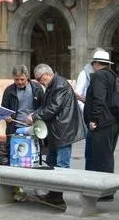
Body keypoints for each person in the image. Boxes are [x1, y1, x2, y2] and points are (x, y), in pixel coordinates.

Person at [27, 63, 86, 205]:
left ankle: (59, 195)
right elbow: (47, 106)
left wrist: (34, 116)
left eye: (40, 79)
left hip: (63, 131)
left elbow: (53, 107)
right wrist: (35, 114)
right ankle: (53, 193)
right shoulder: (53, 84)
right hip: (56, 130)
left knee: (61, 165)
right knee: (51, 162)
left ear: (46, 75)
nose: (39, 82)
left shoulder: (59, 84)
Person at [83, 49, 119, 185]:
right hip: (112, 121)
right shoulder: (112, 76)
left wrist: (94, 119)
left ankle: (105, 189)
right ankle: (104, 187)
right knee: (106, 156)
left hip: (103, 122)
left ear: (97, 63)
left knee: (102, 159)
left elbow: (99, 99)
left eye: (93, 63)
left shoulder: (99, 76)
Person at [1, 65, 44, 137]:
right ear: (13, 78)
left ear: (27, 77)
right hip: (14, 129)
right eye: (16, 79)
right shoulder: (8, 90)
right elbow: (3, 108)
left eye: (22, 79)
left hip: (34, 127)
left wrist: (34, 115)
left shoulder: (37, 88)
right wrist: (6, 116)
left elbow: (43, 107)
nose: (19, 82)